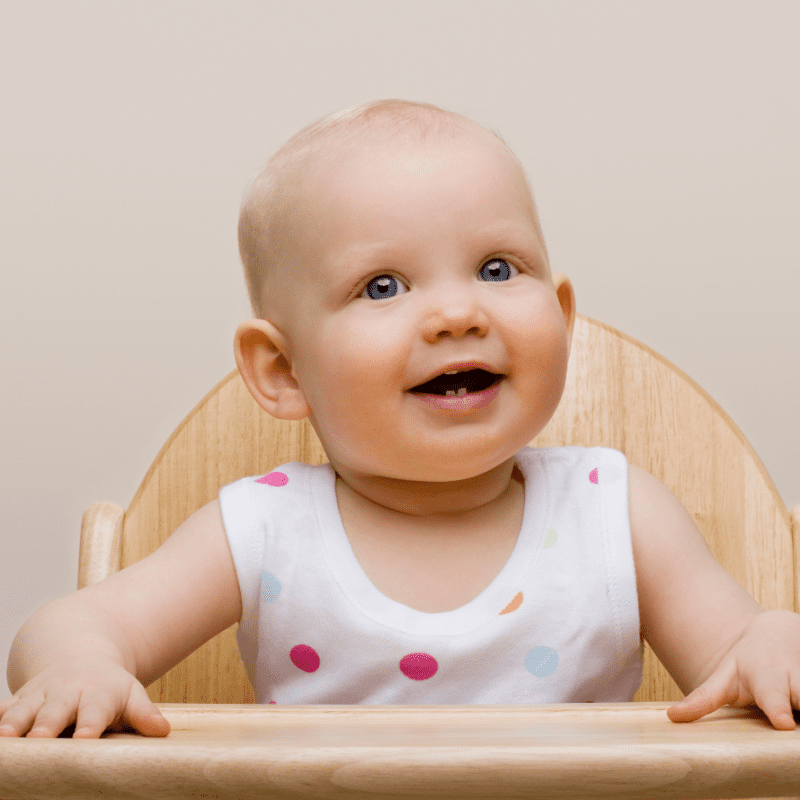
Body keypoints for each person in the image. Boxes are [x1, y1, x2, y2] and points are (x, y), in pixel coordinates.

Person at [3, 99, 799, 739]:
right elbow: (71, 625)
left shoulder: (615, 512)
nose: (457, 312)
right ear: (283, 372)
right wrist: (83, 662)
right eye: (382, 287)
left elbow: (737, 650)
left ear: (561, 316)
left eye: (497, 269)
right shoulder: (267, 529)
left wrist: (771, 640)